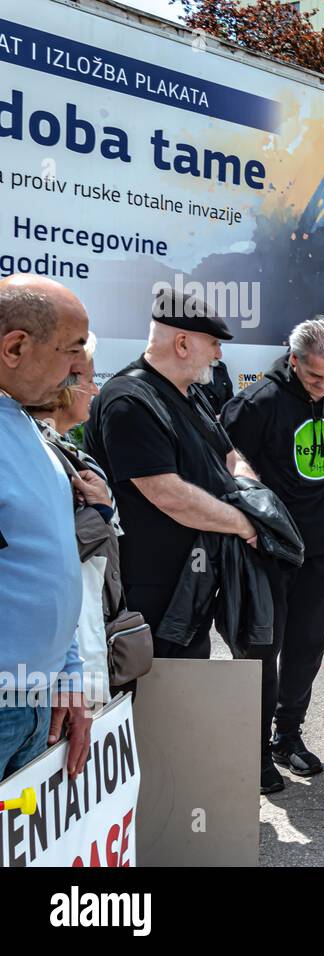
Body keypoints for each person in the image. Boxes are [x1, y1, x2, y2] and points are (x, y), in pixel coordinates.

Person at [221, 318, 324, 794]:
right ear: (293, 358)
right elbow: (227, 463)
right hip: (267, 549)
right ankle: (253, 747)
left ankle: (288, 735)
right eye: (314, 376)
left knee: (307, 645)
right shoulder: (257, 402)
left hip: (321, 546)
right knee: (262, 650)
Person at [85, 288, 260, 658]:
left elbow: (230, 455)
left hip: (190, 587)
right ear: (182, 343)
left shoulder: (188, 392)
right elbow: (168, 494)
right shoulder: (128, 401)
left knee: (183, 701)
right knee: (153, 704)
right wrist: (245, 524)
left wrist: (251, 496)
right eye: (213, 343)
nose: (219, 354)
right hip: (148, 597)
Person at [0, 275, 92, 781]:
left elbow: (51, 567)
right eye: (72, 350)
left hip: (38, 707)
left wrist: (69, 676)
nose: (78, 367)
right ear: (15, 346)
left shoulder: (24, 423)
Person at [26, 332, 116, 706]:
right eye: (90, 379)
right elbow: (39, 553)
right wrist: (99, 513)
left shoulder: (63, 450)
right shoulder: (33, 452)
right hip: (55, 660)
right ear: (63, 385)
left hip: (80, 647)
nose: (96, 391)